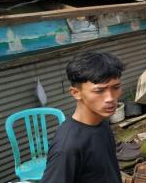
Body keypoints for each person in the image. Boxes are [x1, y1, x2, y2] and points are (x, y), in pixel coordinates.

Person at [41, 51, 124, 183]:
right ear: (76, 93)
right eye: (99, 91)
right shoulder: (67, 147)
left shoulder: (101, 123)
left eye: (116, 87)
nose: (110, 98)